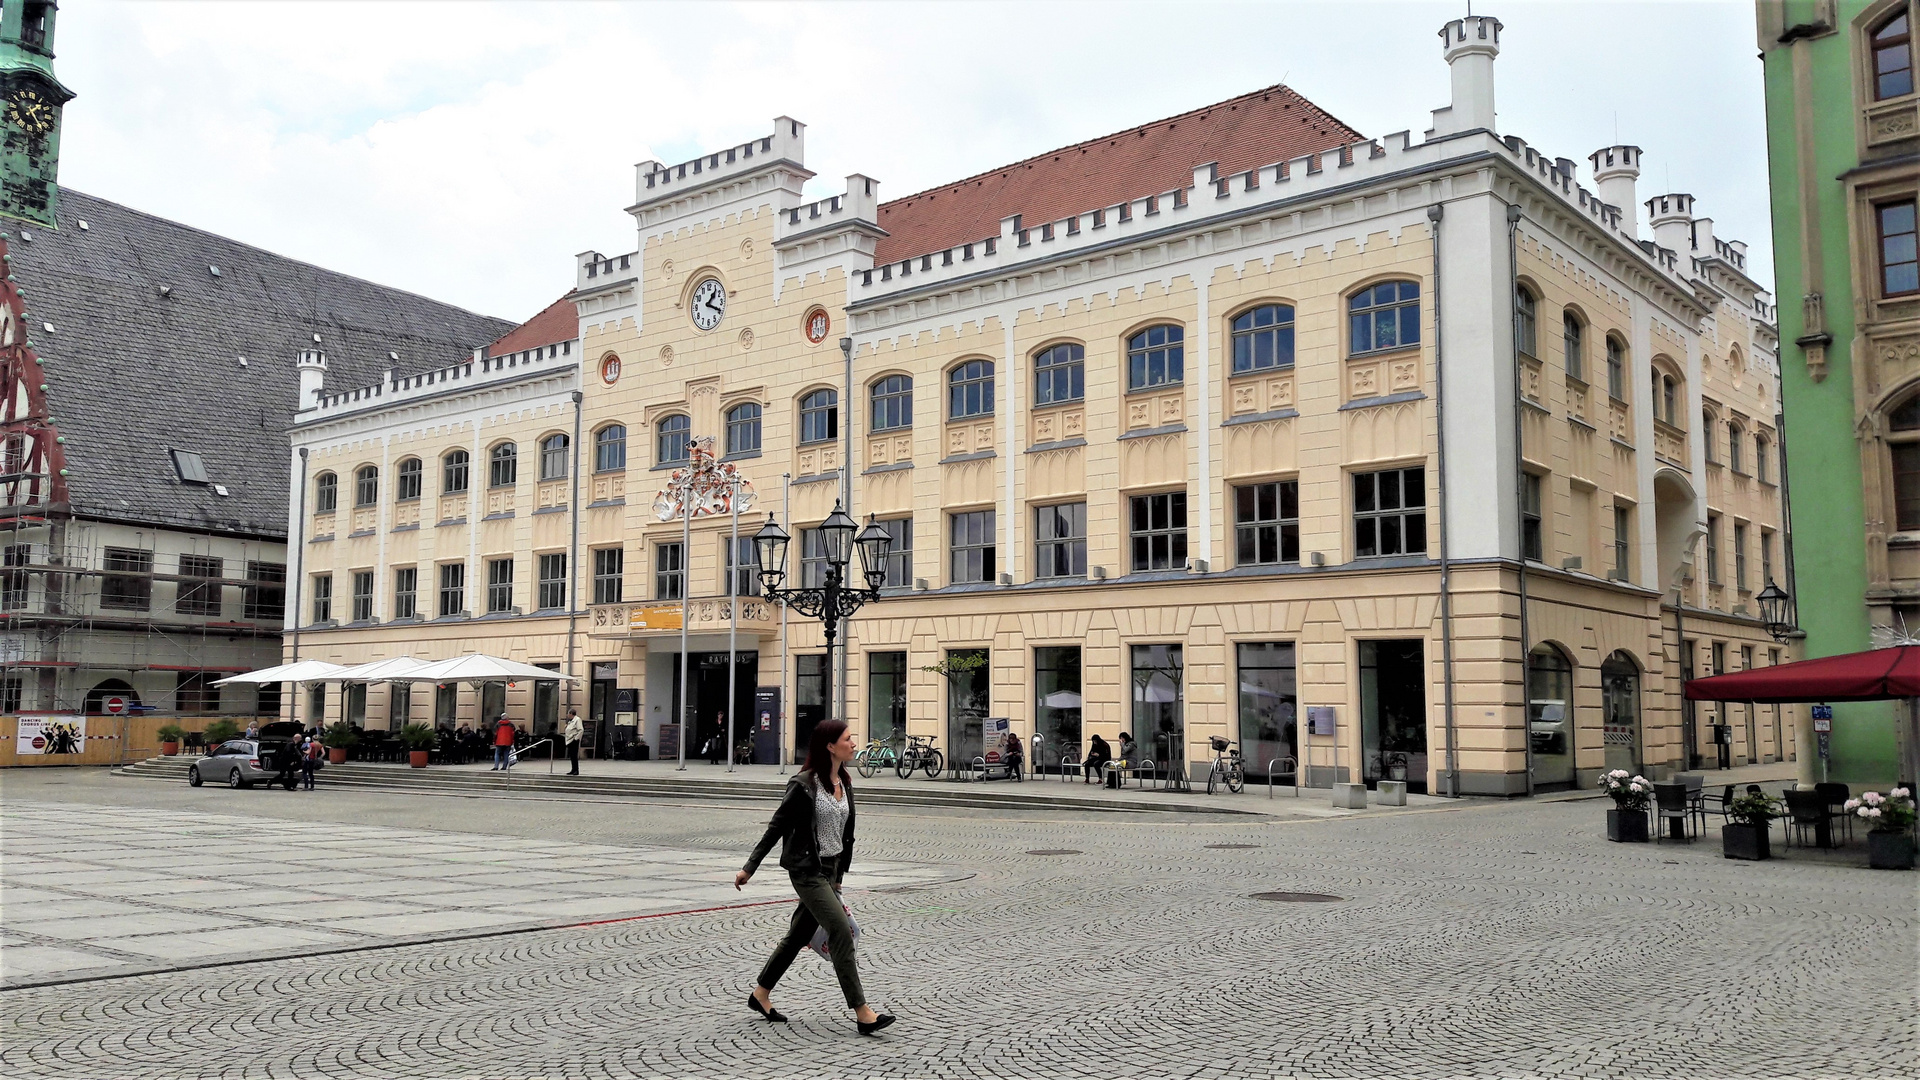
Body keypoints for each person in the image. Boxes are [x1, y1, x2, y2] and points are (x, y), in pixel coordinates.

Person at [734, 719, 895, 1036]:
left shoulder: (844, 782)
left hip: (831, 870)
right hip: (807, 870)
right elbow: (776, 827)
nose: (853, 743)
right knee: (839, 930)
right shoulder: (804, 785)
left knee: (798, 936)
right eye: (848, 739)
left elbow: (845, 834)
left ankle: (760, 993)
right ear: (830, 746)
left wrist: (839, 876)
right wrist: (749, 868)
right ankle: (863, 1012)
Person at [564, 708, 583, 776]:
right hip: (569, 740)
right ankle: (573, 769)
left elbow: (580, 730)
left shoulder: (577, 720)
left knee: (574, 756)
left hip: (573, 740)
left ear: (571, 714)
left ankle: (576, 770)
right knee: (572, 756)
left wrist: (576, 738)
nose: (567, 715)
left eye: (568, 714)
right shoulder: (571, 721)